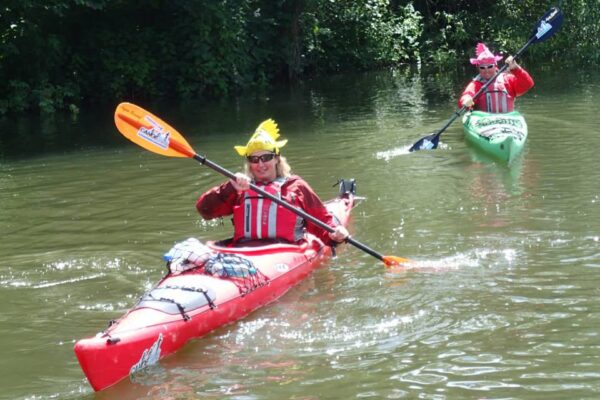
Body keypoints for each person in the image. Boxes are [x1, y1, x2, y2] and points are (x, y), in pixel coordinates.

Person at [196, 119, 349, 246]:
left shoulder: (296, 187)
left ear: (276, 158)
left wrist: (335, 232)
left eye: (266, 158)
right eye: (254, 159)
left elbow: (322, 221)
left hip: (285, 254)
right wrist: (229, 188)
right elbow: (205, 210)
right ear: (249, 163)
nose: (260, 164)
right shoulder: (238, 187)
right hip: (244, 252)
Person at [458, 43, 534, 113]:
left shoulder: (507, 79)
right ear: (478, 68)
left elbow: (528, 84)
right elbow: (467, 94)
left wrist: (516, 69)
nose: (486, 70)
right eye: (482, 67)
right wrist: (465, 101)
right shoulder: (476, 84)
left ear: (495, 65)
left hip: (508, 121)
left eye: (490, 66)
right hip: (484, 121)